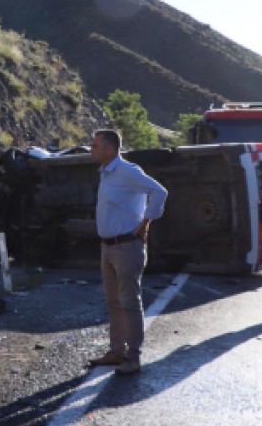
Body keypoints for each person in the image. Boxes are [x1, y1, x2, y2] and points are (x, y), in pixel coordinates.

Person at [87, 129, 168, 375]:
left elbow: (160, 192)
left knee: (129, 302)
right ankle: (117, 351)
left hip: (126, 246)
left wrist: (145, 223)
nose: (91, 149)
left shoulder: (128, 171)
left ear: (110, 149)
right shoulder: (105, 173)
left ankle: (133, 357)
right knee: (113, 301)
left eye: (95, 145)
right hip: (107, 246)